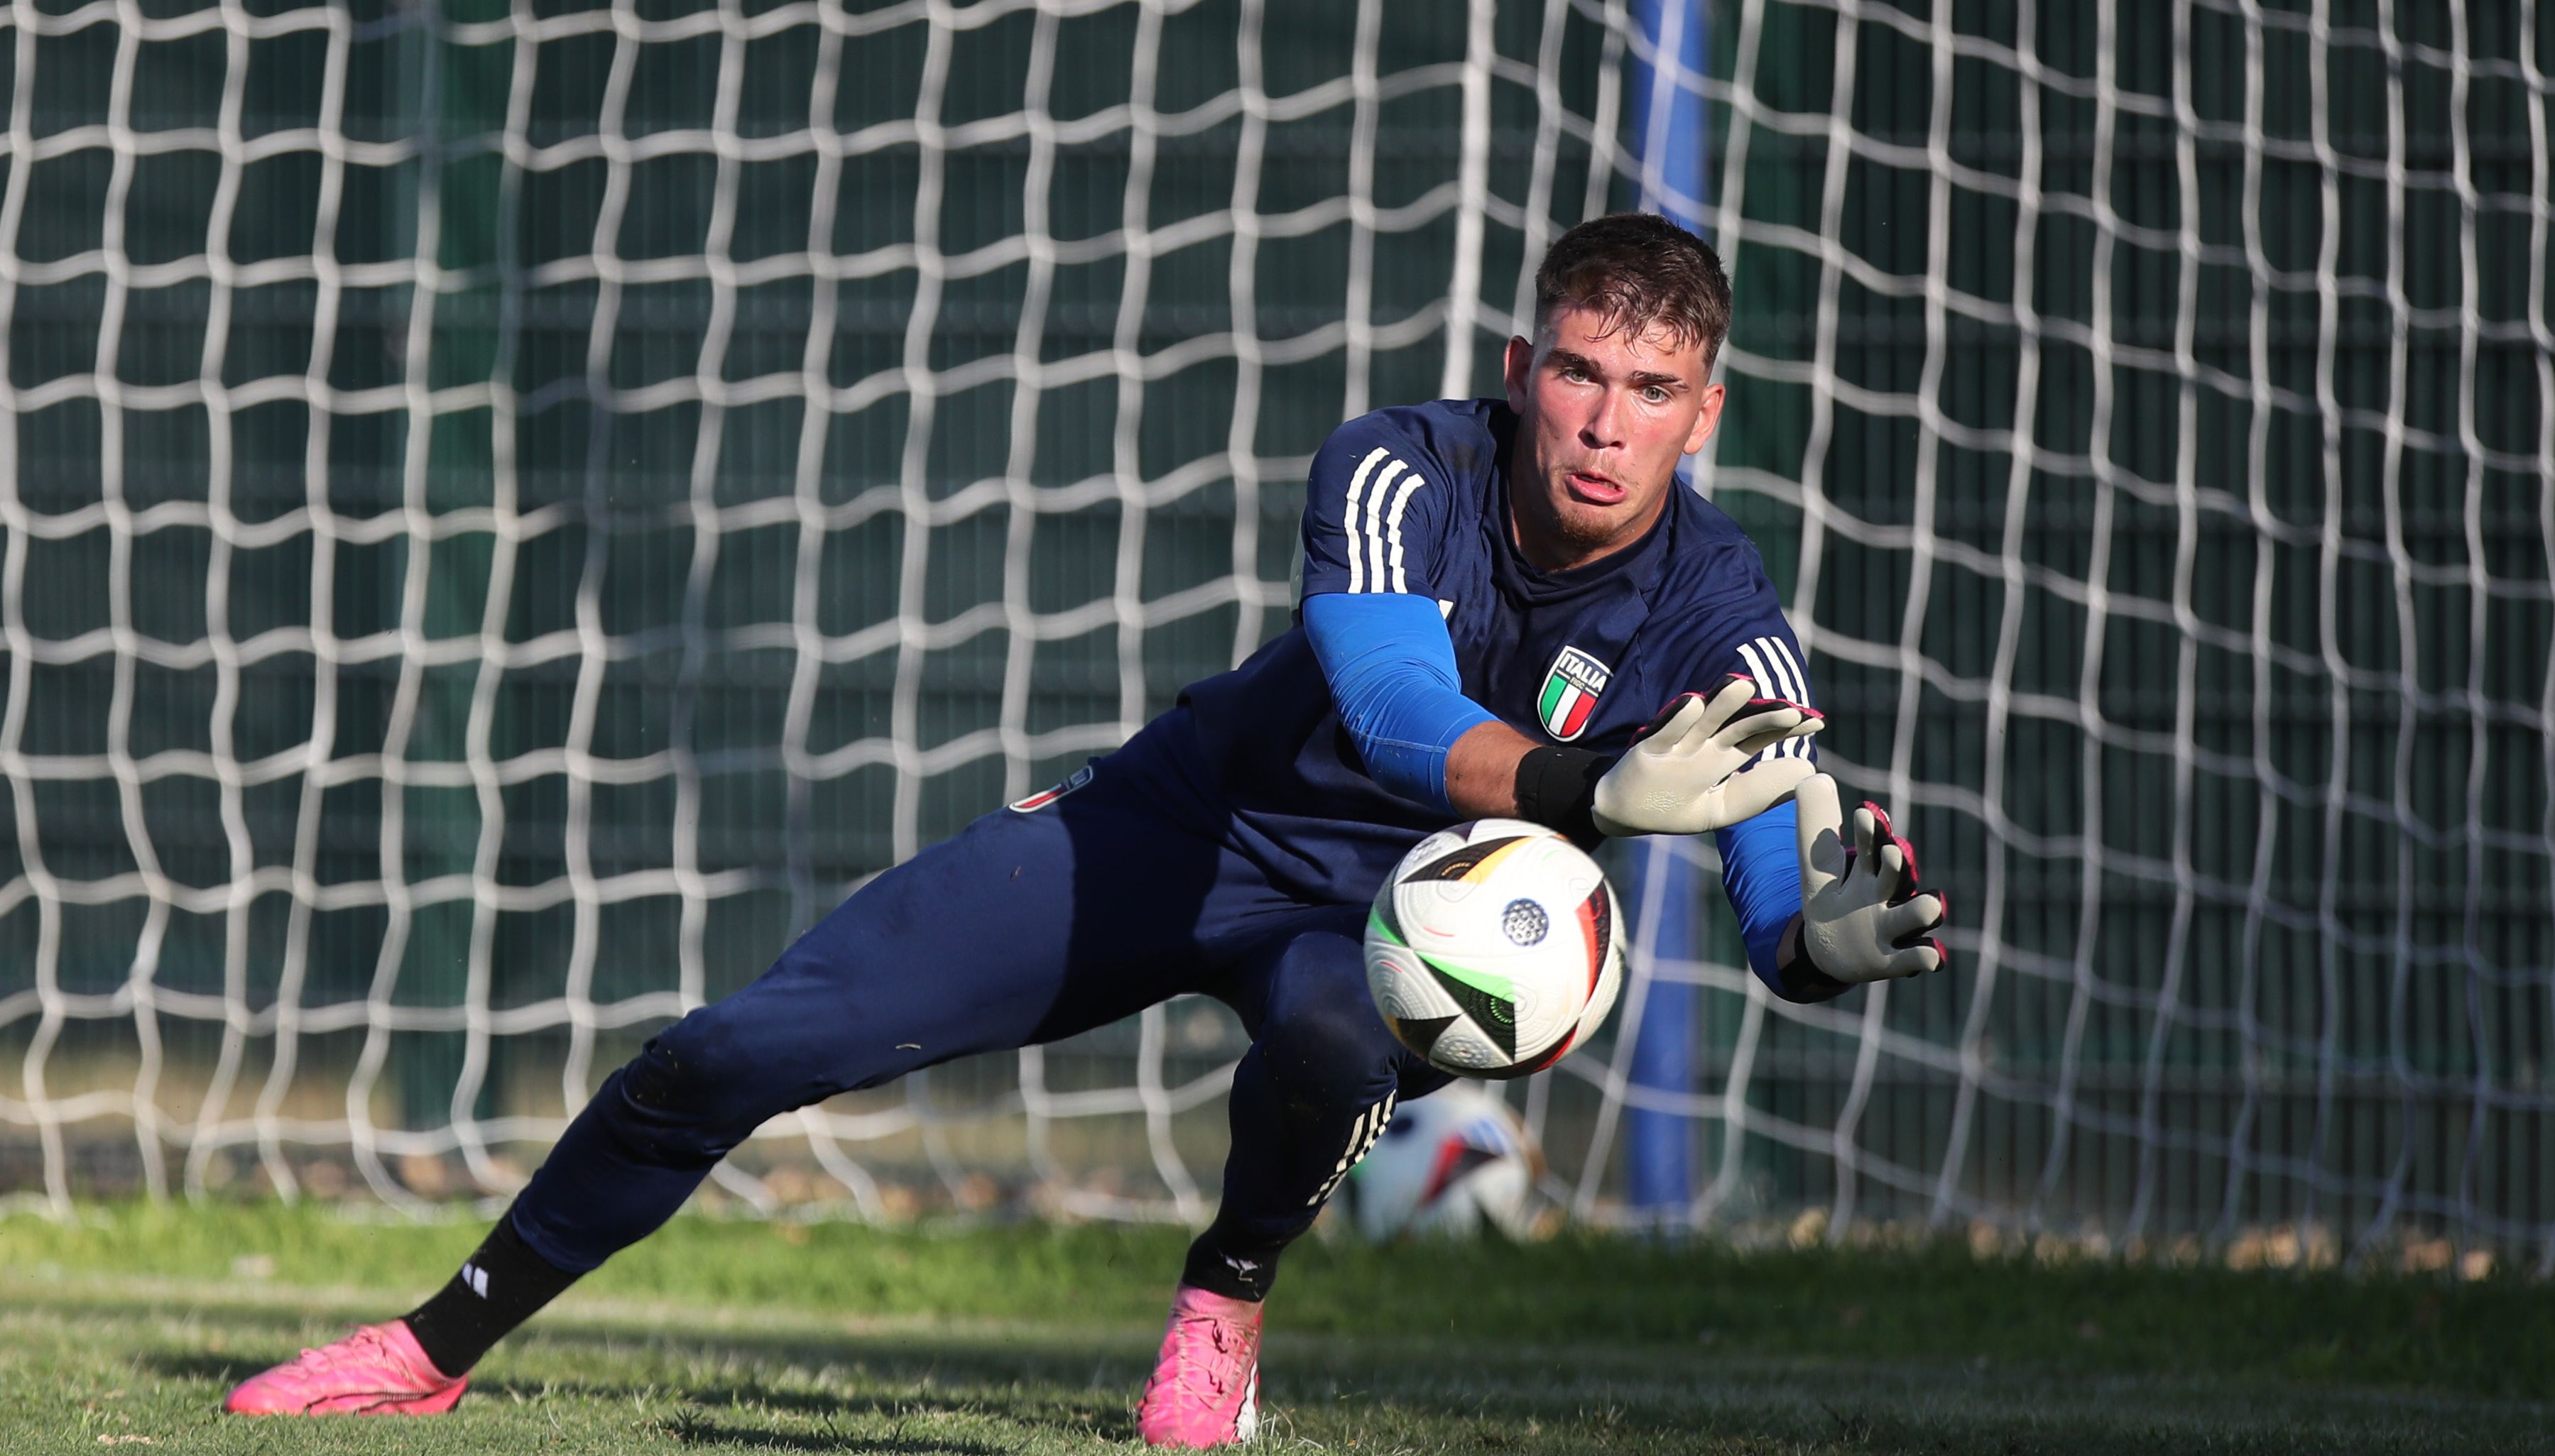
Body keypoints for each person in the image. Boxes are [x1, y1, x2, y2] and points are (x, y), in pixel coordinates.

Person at [218, 213, 1949, 1446]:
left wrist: (1811, 943)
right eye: (1577, 371)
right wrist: (1583, 790)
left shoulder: (1722, 608)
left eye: (1652, 389)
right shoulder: (1399, 467)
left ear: (1704, 414)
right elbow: (1393, 713)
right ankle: (433, 1347)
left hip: (1372, 922)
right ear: (1520, 367)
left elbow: (1777, 858)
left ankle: (1221, 1310)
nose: (1602, 420)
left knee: (1340, 1036)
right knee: (730, 1052)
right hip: (1181, 826)